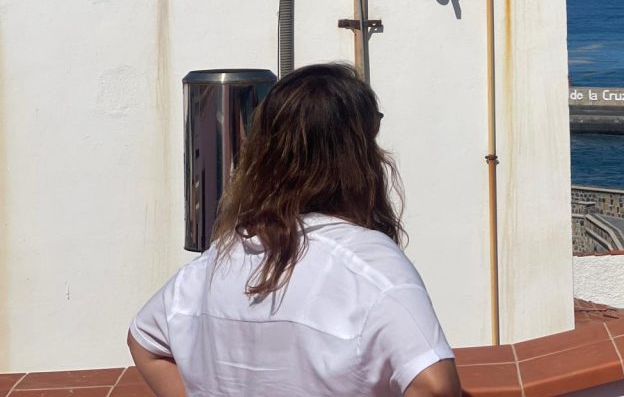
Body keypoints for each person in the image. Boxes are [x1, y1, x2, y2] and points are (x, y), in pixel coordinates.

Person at [128, 63, 460, 397]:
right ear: (359, 158)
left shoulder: (220, 259)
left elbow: (144, 341)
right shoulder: (369, 265)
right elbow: (435, 386)